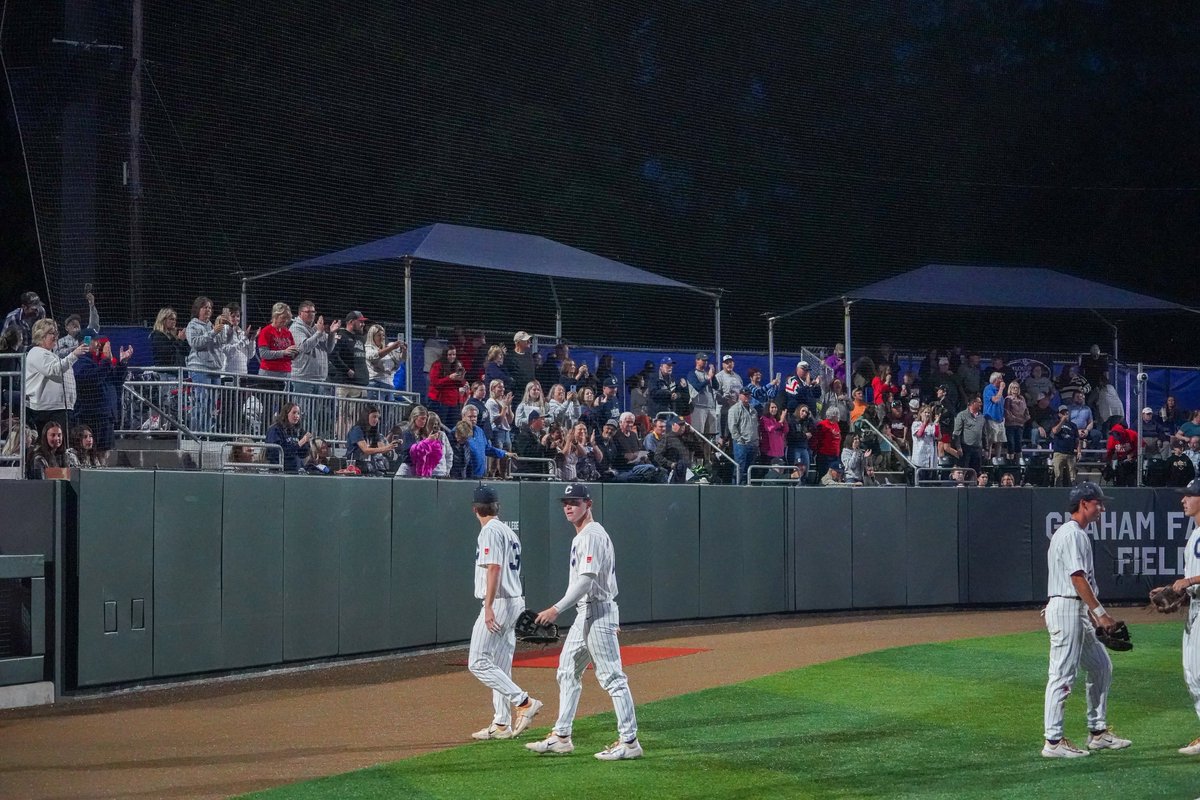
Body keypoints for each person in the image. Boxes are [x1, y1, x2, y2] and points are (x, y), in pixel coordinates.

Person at [527, 483, 642, 760]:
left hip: (598, 612)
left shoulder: (590, 535)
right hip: (587, 614)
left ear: (588, 504)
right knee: (567, 670)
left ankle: (629, 742)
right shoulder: (585, 535)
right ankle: (562, 736)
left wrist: (556, 609)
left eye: (575, 502)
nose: (568, 506)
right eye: (565, 502)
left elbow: (587, 580)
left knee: (612, 678)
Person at [1041, 481, 1130, 758]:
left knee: (1101, 665)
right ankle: (1053, 742)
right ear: (1084, 504)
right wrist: (1101, 615)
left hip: (1075, 610)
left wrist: (1091, 615)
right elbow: (1077, 578)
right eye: (1098, 503)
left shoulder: (1076, 533)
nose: (1101, 508)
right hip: (1067, 608)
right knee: (1062, 674)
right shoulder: (1072, 535)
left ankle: (1098, 732)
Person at [464, 484, 544, 740]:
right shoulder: (508, 531)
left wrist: (488, 607)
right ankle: (501, 723)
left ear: (475, 509)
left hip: (498, 602)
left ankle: (524, 702)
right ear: (497, 507)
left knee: (477, 662)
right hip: (514, 601)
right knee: (499, 664)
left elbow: (494, 568)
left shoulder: (489, 531)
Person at [1171, 479, 1200, 755]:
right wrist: (1174, 590)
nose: (1184, 500)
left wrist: (1188, 580)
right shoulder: (1194, 534)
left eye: (1190, 495)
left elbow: (1192, 579)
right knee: (1192, 674)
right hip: (1195, 610)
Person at [24, 319, 88, 436]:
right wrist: (74, 355)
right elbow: (55, 371)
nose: (56, 337)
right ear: (41, 335)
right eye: (52, 333)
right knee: (53, 446)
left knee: (61, 446)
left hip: (59, 408)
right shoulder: (36, 352)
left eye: (56, 333)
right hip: (49, 410)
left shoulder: (50, 354)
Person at [72, 337, 132, 460]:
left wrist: (122, 363)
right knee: (89, 452)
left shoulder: (101, 362)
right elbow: (93, 379)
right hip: (91, 416)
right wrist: (106, 360)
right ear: (86, 343)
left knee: (104, 452)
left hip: (106, 416)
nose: (99, 344)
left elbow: (116, 381)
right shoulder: (81, 362)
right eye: (95, 341)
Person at [185, 296, 226, 433]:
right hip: (200, 368)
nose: (208, 310)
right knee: (201, 402)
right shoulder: (193, 325)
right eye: (205, 307)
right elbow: (195, 343)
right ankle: (197, 433)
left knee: (212, 404)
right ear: (198, 309)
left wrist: (224, 329)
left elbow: (221, 344)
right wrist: (213, 332)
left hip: (215, 369)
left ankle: (207, 431)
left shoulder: (213, 326)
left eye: (210, 307)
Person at [289, 300, 339, 393]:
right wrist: (319, 333)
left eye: (313, 312)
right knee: (302, 407)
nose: (311, 314)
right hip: (303, 378)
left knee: (318, 408)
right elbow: (304, 347)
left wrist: (332, 333)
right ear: (300, 313)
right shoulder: (296, 328)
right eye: (308, 312)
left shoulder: (318, 327)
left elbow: (329, 349)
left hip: (320, 379)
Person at [345, 405, 396, 475]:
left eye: (378, 417)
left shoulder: (374, 431)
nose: (376, 420)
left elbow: (381, 448)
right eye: (374, 417)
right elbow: (365, 450)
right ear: (366, 416)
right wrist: (385, 448)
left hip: (370, 465)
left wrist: (390, 446)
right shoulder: (357, 430)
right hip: (356, 465)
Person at [265, 402, 313, 473]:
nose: (296, 416)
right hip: (279, 471)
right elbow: (276, 452)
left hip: (295, 471)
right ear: (286, 414)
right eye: (294, 413)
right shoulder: (275, 429)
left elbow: (303, 454)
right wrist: (301, 442)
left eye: (298, 413)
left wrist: (307, 443)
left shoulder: (299, 431)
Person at [256, 302, 298, 381]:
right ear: (275, 316)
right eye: (283, 317)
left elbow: (291, 353)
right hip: (269, 373)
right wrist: (283, 353)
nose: (285, 320)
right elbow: (263, 354)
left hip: (286, 373)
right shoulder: (266, 331)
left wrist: (294, 353)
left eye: (287, 318)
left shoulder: (287, 333)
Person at [365, 324, 406, 400]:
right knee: (376, 410)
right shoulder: (368, 348)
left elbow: (401, 360)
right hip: (376, 383)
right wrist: (392, 347)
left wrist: (404, 350)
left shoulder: (388, 349)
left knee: (388, 411)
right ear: (372, 336)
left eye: (383, 335)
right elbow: (374, 356)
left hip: (389, 384)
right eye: (378, 335)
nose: (382, 338)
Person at [726, 387, 758, 485]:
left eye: (748, 395)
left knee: (749, 469)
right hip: (741, 444)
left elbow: (756, 426)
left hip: (752, 443)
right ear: (740, 396)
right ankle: (737, 488)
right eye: (745, 395)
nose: (747, 397)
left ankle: (747, 487)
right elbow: (732, 427)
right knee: (739, 468)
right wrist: (740, 440)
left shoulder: (753, 410)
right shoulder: (734, 409)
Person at [55, 289, 99, 357]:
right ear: (66, 328)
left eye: (77, 321)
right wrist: (76, 348)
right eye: (72, 322)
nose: (75, 323)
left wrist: (91, 305)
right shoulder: (62, 341)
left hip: (86, 364)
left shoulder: (86, 336)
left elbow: (94, 325)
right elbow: (57, 354)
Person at [217, 302, 257, 376]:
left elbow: (250, 355)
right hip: (228, 373)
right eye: (233, 316)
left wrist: (252, 340)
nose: (236, 319)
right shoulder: (223, 330)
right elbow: (227, 351)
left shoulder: (242, 332)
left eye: (238, 316)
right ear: (226, 317)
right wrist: (244, 340)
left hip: (243, 373)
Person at [685, 353, 719, 437]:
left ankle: (708, 450)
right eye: (702, 360)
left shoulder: (708, 374)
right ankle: (698, 450)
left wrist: (713, 375)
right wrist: (708, 379)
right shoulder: (692, 374)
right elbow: (697, 387)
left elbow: (716, 386)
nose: (705, 362)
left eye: (706, 361)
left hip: (710, 407)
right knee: (698, 434)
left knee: (710, 435)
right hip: (698, 407)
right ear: (697, 360)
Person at [953, 396, 986, 476]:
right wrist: (958, 447)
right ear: (973, 403)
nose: (981, 404)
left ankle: (974, 486)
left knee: (976, 471)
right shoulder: (962, 415)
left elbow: (984, 434)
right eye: (979, 402)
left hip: (978, 448)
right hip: (966, 447)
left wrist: (986, 448)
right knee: (964, 470)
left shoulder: (982, 417)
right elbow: (956, 433)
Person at [1049, 404, 1082, 487]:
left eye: (1066, 413)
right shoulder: (1055, 422)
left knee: (1072, 476)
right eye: (1063, 413)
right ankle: (1057, 491)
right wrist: (1062, 421)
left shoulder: (1073, 425)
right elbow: (1055, 431)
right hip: (1059, 453)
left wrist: (1079, 452)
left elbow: (1077, 440)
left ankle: (1073, 490)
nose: (1065, 415)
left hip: (1070, 453)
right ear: (1059, 414)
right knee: (1058, 475)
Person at [1003, 380, 1030, 462]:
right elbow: (1007, 411)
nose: (1015, 389)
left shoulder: (1022, 398)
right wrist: (1015, 419)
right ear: (1010, 389)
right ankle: (1010, 461)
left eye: (1017, 388)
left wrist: (1025, 418)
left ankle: (1019, 462)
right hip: (1010, 424)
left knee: (1018, 443)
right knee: (1011, 443)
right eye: (1013, 388)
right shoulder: (1008, 399)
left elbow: (1026, 410)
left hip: (1020, 424)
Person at [911, 404, 940, 472]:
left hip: (930, 458)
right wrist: (924, 423)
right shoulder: (916, 424)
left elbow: (937, 436)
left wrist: (936, 425)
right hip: (919, 457)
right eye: (925, 412)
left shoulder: (932, 425)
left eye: (929, 413)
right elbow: (919, 434)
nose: (927, 414)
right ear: (921, 413)